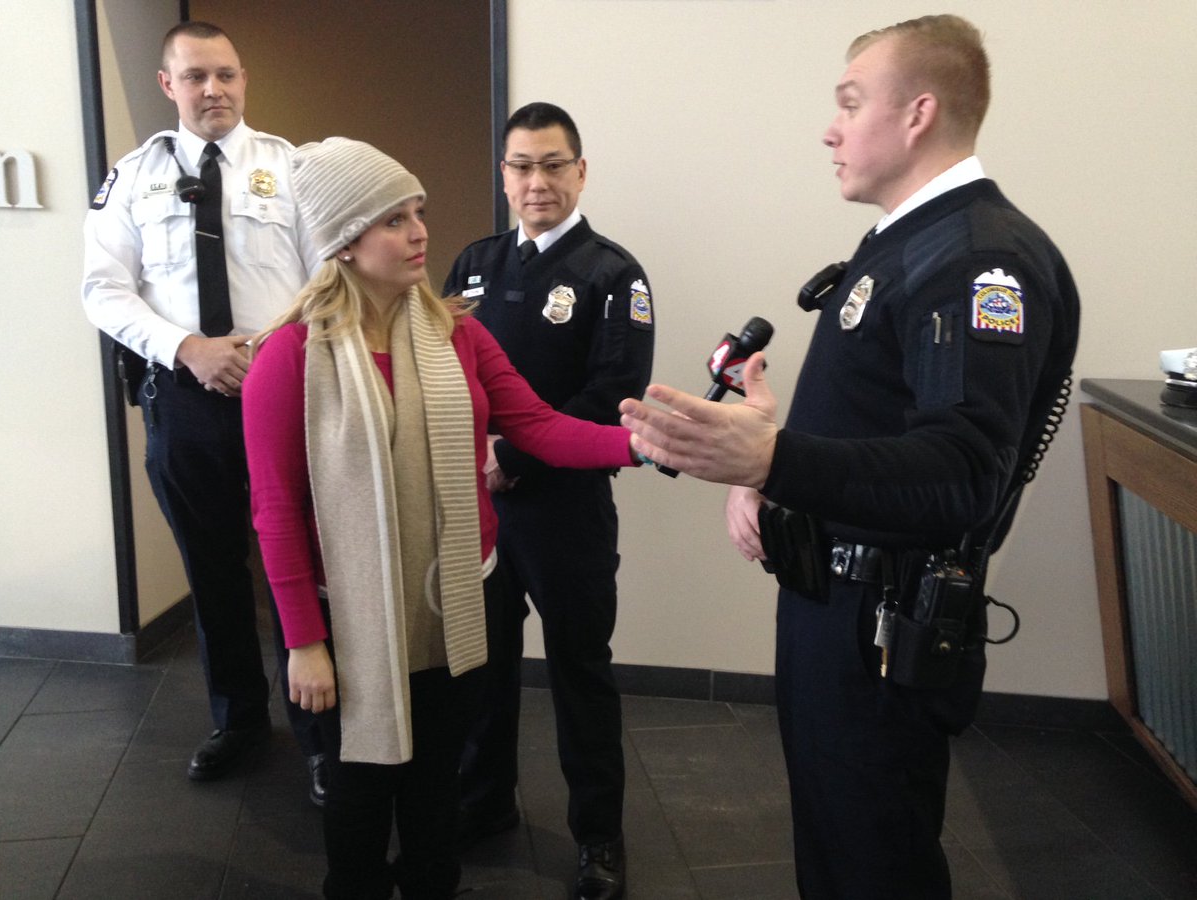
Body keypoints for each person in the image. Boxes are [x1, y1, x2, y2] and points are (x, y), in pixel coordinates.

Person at [618, 15, 1080, 900]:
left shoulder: (978, 259)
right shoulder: (910, 243)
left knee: (874, 862)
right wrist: (769, 460)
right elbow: (883, 428)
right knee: (836, 846)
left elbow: (959, 473)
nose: (830, 129)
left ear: (917, 113)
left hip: (882, 624)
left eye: (850, 102)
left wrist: (776, 462)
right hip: (835, 603)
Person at [242, 136, 642, 900]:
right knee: (360, 805)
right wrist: (303, 644)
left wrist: (646, 443)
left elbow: (538, 425)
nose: (420, 231)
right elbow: (276, 512)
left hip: (453, 601)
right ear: (345, 243)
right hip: (349, 619)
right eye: (393, 219)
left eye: (418, 212)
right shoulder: (288, 358)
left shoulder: (457, 332)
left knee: (434, 793)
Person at [80, 22, 327, 801]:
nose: (212, 90)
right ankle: (240, 721)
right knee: (212, 570)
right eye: (195, 77)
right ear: (168, 86)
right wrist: (188, 347)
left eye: (224, 75)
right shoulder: (132, 178)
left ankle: (323, 731)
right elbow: (103, 290)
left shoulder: (291, 168)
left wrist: (275, 347)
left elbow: (332, 282)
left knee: (305, 566)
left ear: (244, 78)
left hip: (284, 398)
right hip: (184, 404)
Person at [442, 101, 654, 900]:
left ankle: (599, 838)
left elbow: (614, 397)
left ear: (581, 171)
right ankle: (484, 802)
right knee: (482, 669)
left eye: (552, 165)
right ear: (503, 174)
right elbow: (440, 370)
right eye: (521, 166)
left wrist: (511, 455)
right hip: (480, 514)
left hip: (565, 511)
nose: (536, 182)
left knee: (580, 673)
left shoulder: (612, 273)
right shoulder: (470, 264)